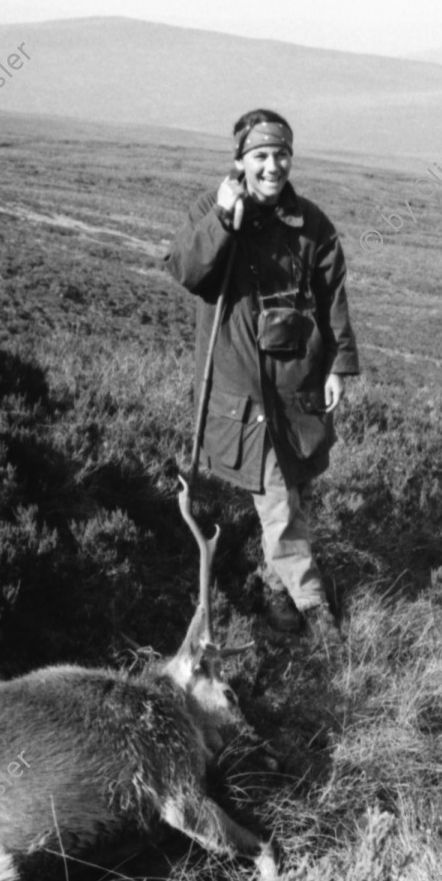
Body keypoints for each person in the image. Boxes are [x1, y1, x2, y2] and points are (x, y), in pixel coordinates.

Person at [166, 109, 359, 641]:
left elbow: (332, 297)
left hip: (298, 387)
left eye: (280, 155)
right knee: (278, 500)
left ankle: (277, 601)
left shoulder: (312, 224)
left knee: (292, 495)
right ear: (240, 161)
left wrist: (339, 364)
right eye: (260, 156)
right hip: (242, 389)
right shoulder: (212, 208)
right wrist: (223, 220)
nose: (272, 166)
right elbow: (188, 271)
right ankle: (319, 614)